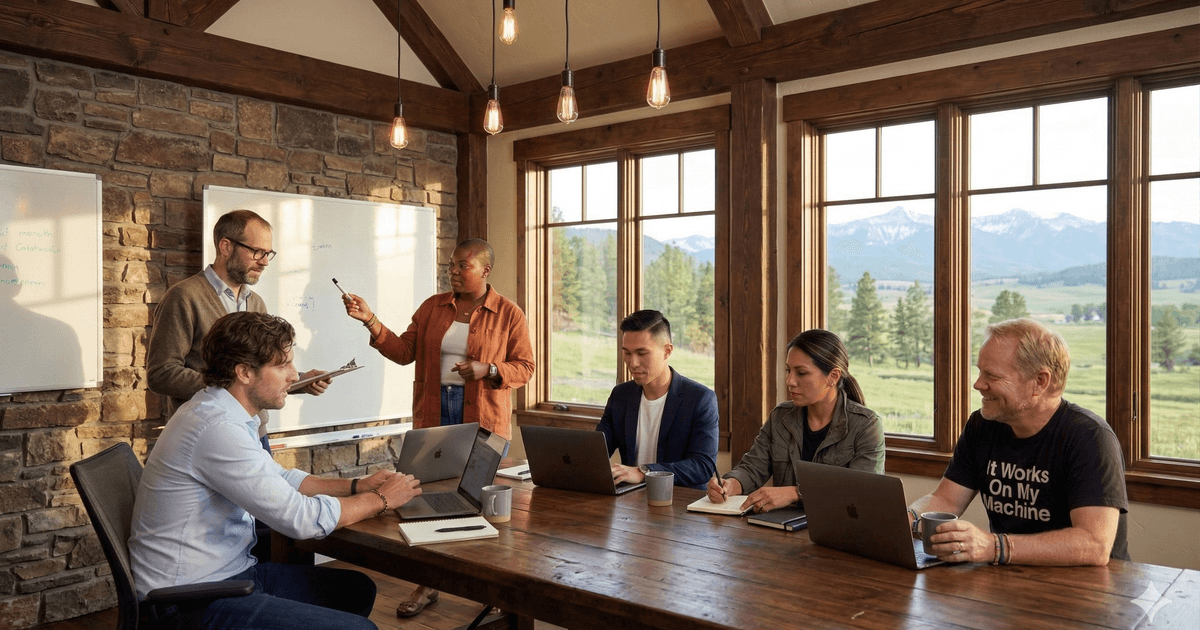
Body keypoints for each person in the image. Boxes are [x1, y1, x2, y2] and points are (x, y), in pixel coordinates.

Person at [129, 311, 422, 630]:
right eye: (282, 365)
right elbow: (302, 519)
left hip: (228, 576)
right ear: (244, 372)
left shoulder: (221, 411)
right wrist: (382, 499)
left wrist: (356, 486)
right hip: (187, 603)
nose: (295, 376)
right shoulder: (217, 428)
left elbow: (279, 478)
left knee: (355, 590)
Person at [341, 237, 533, 618]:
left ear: (485, 270)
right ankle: (428, 584)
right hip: (435, 412)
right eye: (451, 265)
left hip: (483, 416)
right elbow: (403, 352)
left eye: (463, 265)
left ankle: (494, 591)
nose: (454, 271)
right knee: (428, 500)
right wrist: (371, 320)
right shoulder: (433, 307)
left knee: (484, 505)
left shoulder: (509, 313)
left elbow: (525, 368)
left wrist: (488, 369)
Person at [907, 318, 1128, 566]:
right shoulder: (982, 426)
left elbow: (1094, 544)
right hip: (1008, 583)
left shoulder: (1090, 437)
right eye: (980, 371)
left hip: (1089, 591)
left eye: (992, 375)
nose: (978, 384)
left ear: (1040, 382)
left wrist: (994, 547)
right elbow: (946, 500)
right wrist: (910, 516)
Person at [147, 209, 332, 445]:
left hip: (255, 432)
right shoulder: (184, 298)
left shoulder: (255, 302)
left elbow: (259, 372)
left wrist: (301, 380)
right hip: (209, 435)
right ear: (225, 246)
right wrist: (228, 387)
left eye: (268, 253)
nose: (264, 262)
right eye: (256, 252)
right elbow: (161, 374)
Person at [707, 329, 885, 513]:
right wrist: (729, 484)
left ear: (833, 376)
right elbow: (752, 468)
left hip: (837, 533)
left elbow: (862, 492)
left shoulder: (867, 425)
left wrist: (796, 493)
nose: (790, 381)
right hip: (780, 530)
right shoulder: (779, 417)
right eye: (788, 370)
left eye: (801, 373)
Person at [597, 310, 718, 490]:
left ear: (667, 351)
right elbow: (598, 451)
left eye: (642, 353)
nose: (633, 363)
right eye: (627, 353)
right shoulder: (620, 395)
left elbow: (703, 467)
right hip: (629, 503)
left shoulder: (700, 399)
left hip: (679, 505)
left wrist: (643, 471)